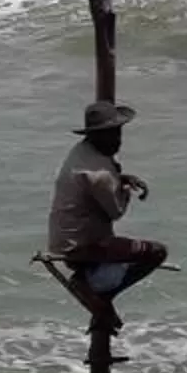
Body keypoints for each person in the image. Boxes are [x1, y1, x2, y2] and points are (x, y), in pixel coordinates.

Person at [45, 98, 167, 321]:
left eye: (118, 133)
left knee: (124, 254)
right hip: (83, 248)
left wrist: (120, 178)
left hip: (63, 241)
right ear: (94, 135)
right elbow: (116, 211)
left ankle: (94, 289)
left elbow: (96, 185)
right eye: (110, 134)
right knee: (157, 252)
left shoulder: (81, 153)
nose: (117, 140)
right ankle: (98, 293)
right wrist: (126, 188)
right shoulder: (99, 176)